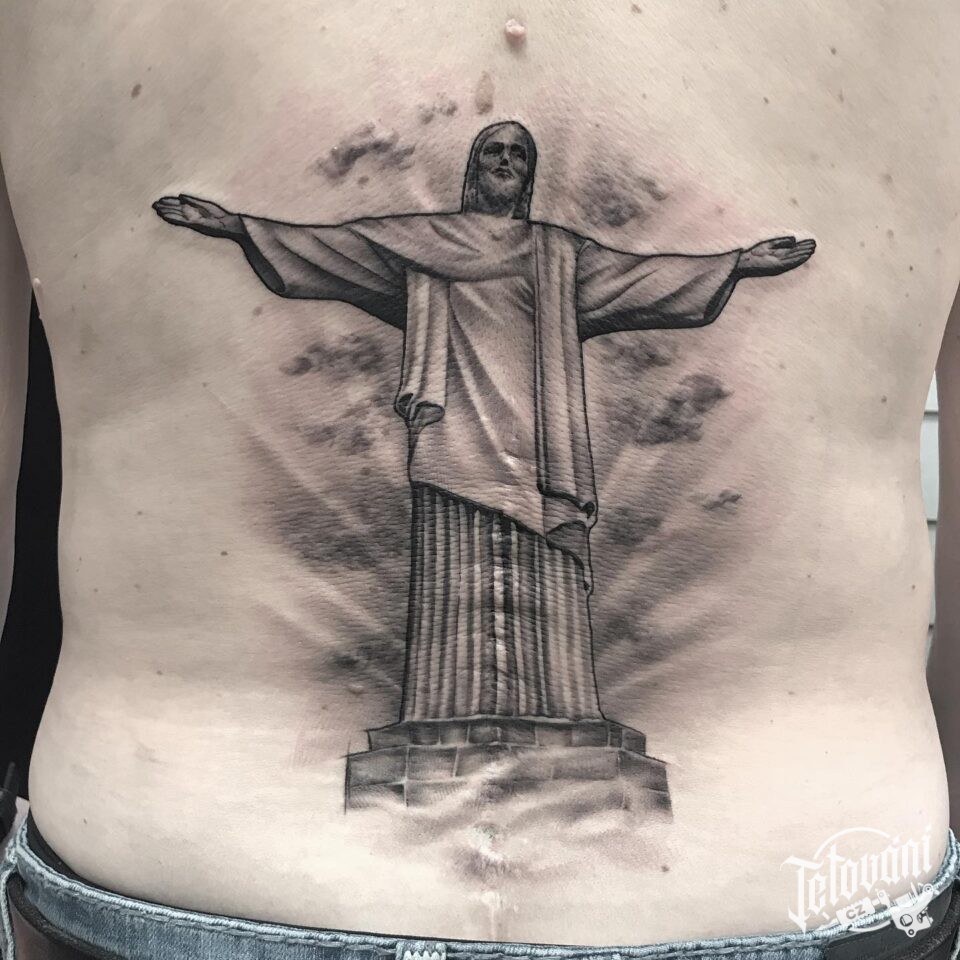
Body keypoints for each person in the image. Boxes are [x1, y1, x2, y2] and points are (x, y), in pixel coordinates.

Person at [0, 3, 958, 958]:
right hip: (185, 889)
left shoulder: (561, 257)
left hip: (807, 891)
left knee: (547, 582)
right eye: (491, 155)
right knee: (455, 579)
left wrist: (740, 263)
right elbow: (335, 250)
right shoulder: (423, 243)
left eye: (514, 159)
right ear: (472, 170)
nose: (502, 167)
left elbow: (646, 276)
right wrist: (237, 224)